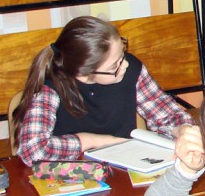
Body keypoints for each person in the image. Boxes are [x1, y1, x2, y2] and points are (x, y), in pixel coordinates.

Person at [14, 15, 194, 166]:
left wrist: (183, 129)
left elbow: (167, 114)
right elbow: (33, 150)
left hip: (125, 167)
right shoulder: (51, 87)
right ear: (83, 75)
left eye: (122, 54)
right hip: (72, 174)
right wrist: (91, 141)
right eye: (115, 65)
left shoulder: (131, 70)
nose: (125, 65)